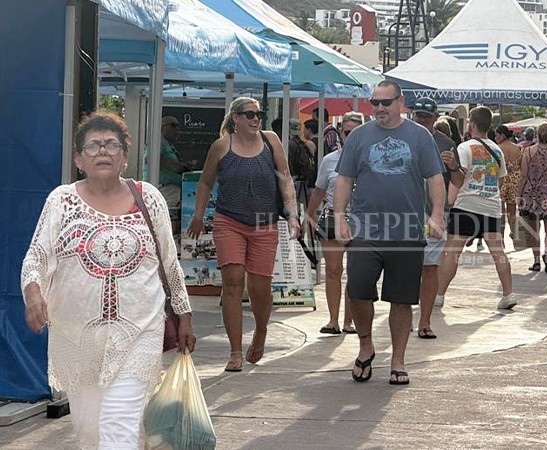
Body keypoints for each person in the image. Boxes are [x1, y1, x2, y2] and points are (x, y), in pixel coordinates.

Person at [21, 112, 196, 449]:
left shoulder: (149, 198)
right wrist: (33, 293)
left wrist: (184, 314)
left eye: (112, 144)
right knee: (90, 432)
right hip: (77, 335)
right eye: (93, 145)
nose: (103, 150)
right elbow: (37, 256)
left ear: (125, 157)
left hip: (140, 330)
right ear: (78, 158)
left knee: (119, 425)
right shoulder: (62, 201)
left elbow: (170, 263)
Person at [333, 80, 445, 386]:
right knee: (357, 290)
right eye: (375, 103)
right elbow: (344, 179)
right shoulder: (358, 136)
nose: (380, 109)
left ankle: (398, 359)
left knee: (401, 299)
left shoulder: (419, 136)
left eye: (386, 103)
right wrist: (340, 217)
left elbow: (434, 177)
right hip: (365, 229)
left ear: (400, 102)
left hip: (407, 231)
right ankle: (366, 345)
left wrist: (436, 214)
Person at [188, 97, 300, 372]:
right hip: (229, 221)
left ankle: (260, 331)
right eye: (249, 114)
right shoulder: (222, 146)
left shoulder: (271, 140)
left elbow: (285, 178)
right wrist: (199, 215)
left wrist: (293, 214)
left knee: (260, 287)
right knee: (233, 279)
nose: (255, 119)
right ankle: (235, 351)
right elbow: (205, 181)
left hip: (264, 222)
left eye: (258, 114)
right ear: (235, 118)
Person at [437, 106, 516, 311]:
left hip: (466, 204)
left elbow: (458, 179)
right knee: (498, 252)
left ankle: (439, 294)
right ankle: (508, 293)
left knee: (452, 251)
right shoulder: (497, 150)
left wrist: (450, 202)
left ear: (471, 124)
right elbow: (500, 181)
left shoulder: (464, 148)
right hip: (491, 206)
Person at [303, 111, 364, 335]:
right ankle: (333, 320)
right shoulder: (329, 161)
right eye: (348, 132)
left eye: (357, 132)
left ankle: (350, 320)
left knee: (356, 271)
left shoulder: (369, 158)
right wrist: (308, 216)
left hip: (360, 218)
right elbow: (319, 192)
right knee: (334, 269)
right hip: (332, 217)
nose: (352, 136)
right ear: (340, 133)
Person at [411, 97, 464, 338]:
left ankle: (424, 321)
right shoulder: (402, 137)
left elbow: (459, 181)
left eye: (426, 116)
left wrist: (454, 167)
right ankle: (403, 314)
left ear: (435, 118)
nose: (421, 119)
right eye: (418, 115)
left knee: (430, 268)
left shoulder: (446, 143)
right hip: (404, 211)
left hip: (434, 213)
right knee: (405, 266)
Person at [518, 122, 547, 273]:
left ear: (537, 134)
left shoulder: (528, 151)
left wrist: (518, 196)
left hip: (532, 195)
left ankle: (536, 262)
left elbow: (523, 176)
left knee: (534, 230)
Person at [494, 125, 522, 239]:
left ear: (502, 135)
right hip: (515, 180)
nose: (495, 137)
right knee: (512, 211)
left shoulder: (497, 149)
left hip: (501, 180)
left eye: (496, 135)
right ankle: (514, 233)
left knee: (501, 212)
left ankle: (501, 238)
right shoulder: (518, 148)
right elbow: (521, 166)